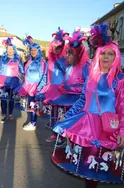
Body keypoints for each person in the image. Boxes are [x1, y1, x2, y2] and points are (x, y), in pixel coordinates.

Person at [52, 24, 124, 187]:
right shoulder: (92, 77)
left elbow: (122, 107)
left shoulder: (119, 80)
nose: (106, 57)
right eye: (103, 54)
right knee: (86, 167)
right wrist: (68, 117)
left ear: (116, 57)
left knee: (96, 168)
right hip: (86, 126)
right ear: (97, 55)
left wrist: (122, 131)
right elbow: (82, 101)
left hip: (106, 129)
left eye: (110, 54)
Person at [46, 29, 90, 146]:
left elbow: (88, 86)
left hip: (77, 101)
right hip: (66, 98)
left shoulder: (85, 66)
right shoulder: (69, 65)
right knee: (63, 119)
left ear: (78, 54)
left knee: (73, 124)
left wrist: (71, 88)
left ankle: (69, 143)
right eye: (67, 52)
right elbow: (66, 79)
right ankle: (61, 137)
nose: (67, 55)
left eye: (70, 53)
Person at [35, 27, 68, 142]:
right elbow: (45, 76)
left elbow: (71, 76)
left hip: (63, 92)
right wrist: (40, 89)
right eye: (54, 47)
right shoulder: (50, 60)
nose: (56, 49)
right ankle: (55, 134)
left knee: (62, 114)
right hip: (51, 90)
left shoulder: (67, 60)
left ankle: (63, 136)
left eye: (59, 47)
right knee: (53, 113)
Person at [14, 36, 47, 131]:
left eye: (35, 50)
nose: (33, 52)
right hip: (28, 85)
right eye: (32, 50)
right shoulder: (29, 61)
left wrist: (39, 89)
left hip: (36, 87)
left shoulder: (42, 62)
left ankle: (33, 123)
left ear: (39, 51)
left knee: (33, 105)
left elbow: (44, 76)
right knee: (30, 105)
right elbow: (26, 73)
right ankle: (32, 122)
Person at [0, 37, 24, 123]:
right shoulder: (3, 59)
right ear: (6, 50)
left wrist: (23, 77)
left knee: (11, 99)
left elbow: (22, 70)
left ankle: (10, 113)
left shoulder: (18, 60)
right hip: (4, 81)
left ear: (14, 50)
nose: (10, 50)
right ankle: (4, 114)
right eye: (8, 49)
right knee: (3, 99)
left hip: (14, 81)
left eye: (11, 49)